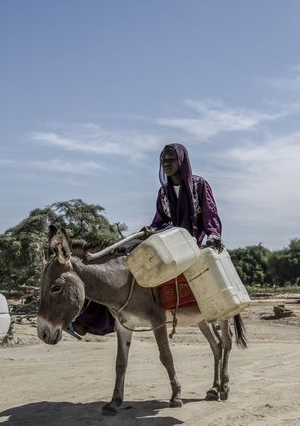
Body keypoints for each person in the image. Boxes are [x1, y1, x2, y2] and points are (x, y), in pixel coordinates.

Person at [68, 143, 222, 337]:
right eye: (163, 161)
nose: (166, 164)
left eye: (171, 160)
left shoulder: (199, 185)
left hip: (189, 242)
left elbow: (210, 214)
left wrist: (214, 235)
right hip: (166, 239)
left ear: (181, 161)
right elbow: (160, 220)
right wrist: (151, 229)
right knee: (121, 255)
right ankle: (89, 320)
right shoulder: (164, 192)